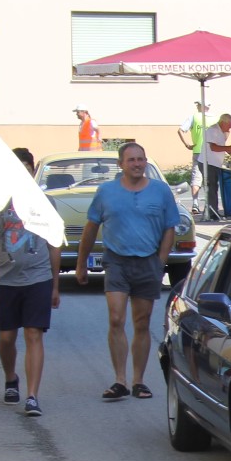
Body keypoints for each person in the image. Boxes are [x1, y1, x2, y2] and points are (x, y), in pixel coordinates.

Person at [75, 142, 180, 401]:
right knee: (116, 319)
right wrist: (81, 263)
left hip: (147, 262)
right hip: (116, 261)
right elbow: (91, 228)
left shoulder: (160, 191)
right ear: (121, 164)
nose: (137, 164)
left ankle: (138, 381)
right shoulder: (106, 192)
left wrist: (160, 261)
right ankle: (119, 379)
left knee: (142, 323)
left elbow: (170, 228)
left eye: (141, 159)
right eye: (131, 159)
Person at [0, 147, 61, 418]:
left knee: (34, 334)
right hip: (6, 279)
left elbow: (54, 245)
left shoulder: (46, 203)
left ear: (32, 171)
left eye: (26, 168)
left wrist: (55, 284)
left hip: (38, 278)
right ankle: (11, 377)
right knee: (6, 337)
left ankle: (33, 396)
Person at [203, 113, 231, 222]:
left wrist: (229, 148)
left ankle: (213, 211)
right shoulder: (212, 130)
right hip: (208, 163)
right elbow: (213, 147)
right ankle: (212, 213)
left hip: (215, 163)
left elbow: (219, 147)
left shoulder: (221, 131)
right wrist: (229, 147)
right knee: (211, 187)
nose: (230, 127)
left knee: (214, 187)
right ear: (223, 122)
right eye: (229, 124)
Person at [177, 102, 209, 213]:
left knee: (197, 178)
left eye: (198, 105)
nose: (196, 106)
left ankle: (195, 204)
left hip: (198, 151)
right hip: (212, 152)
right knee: (210, 179)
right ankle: (209, 205)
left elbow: (180, 130)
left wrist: (187, 144)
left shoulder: (193, 117)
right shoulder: (214, 118)